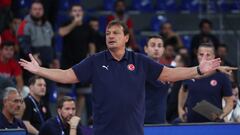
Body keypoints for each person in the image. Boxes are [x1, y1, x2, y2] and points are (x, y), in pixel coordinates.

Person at [20, 20, 222, 135]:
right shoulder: (95, 61)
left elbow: (169, 73)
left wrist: (198, 70)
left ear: (126, 37)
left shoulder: (140, 61)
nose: (110, 36)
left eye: (116, 33)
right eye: (108, 33)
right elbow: (66, 75)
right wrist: (40, 71)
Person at [178, 43, 233, 123]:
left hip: (213, 125)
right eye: (201, 54)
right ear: (197, 55)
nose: (204, 58)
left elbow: (229, 102)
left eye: (208, 55)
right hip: (191, 124)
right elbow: (183, 90)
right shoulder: (190, 73)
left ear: (214, 56)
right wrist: (180, 108)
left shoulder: (222, 77)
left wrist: (220, 116)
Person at [144, 35, 170, 124]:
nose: (156, 49)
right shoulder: (137, 69)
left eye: (159, 46)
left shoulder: (169, 71)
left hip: (160, 121)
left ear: (163, 49)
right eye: (153, 45)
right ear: (146, 49)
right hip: (139, 122)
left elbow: (188, 79)